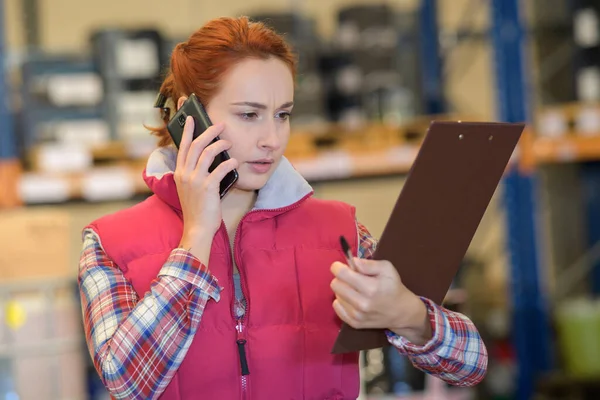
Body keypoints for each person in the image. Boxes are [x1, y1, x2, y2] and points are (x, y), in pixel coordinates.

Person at [78, 16, 488, 400]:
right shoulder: (110, 242)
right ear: (190, 117)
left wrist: (409, 315)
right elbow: (127, 382)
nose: (272, 139)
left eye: (283, 115)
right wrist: (196, 237)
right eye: (249, 115)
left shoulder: (337, 229)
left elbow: (470, 365)